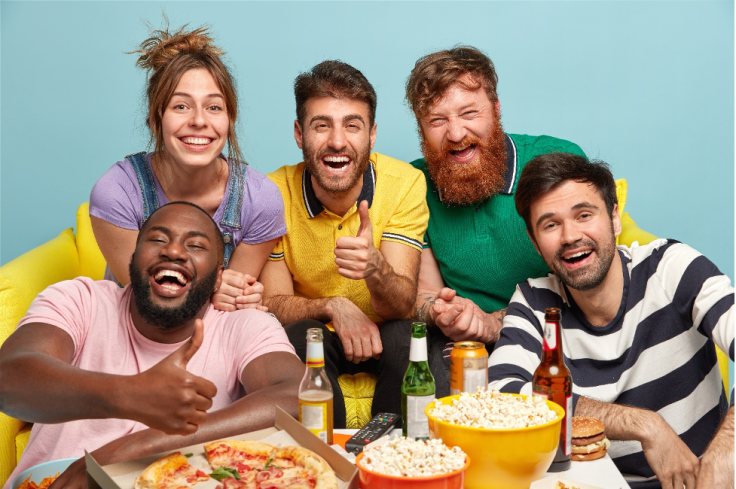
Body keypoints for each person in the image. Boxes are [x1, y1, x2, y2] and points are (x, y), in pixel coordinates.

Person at [0, 202, 303, 489]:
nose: (173, 251)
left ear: (217, 279)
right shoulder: (80, 301)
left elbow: (300, 397)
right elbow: (7, 380)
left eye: (196, 245)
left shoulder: (243, 326)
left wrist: (133, 448)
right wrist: (130, 394)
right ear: (132, 260)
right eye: (157, 240)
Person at [487, 152, 734, 488]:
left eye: (584, 215)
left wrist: (724, 454)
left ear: (615, 217)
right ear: (535, 242)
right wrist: (644, 425)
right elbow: (503, 400)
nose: (570, 236)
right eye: (550, 225)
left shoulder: (672, 269)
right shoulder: (534, 303)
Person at [405, 46, 588, 396]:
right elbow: (426, 291)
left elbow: (586, 283)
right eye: (437, 120)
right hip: (462, 340)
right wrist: (444, 311)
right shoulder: (413, 183)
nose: (456, 133)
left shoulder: (555, 161)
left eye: (469, 113)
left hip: (553, 326)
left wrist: (496, 323)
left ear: (496, 109)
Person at [260, 60, 429, 428]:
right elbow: (272, 304)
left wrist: (375, 268)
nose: (337, 141)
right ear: (298, 133)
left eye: (352, 125)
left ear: (371, 135)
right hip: (319, 333)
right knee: (300, 336)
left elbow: (401, 305)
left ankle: (396, 462)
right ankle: (326, 464)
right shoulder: (271, 194)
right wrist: (332, 306)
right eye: (321, 125)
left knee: (409, 337)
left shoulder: (405, 183)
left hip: (387, 331)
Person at [90, 21, 285, 312]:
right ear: (156, 119)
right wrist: (217, 284)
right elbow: (149, 299)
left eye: (214, 107)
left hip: (214, 337)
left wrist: (236, 296)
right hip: (132, 335)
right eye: (181, 106)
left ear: (229, 120)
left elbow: (227, 306)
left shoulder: (261, 200)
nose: (198, 120)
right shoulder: (116, 191)